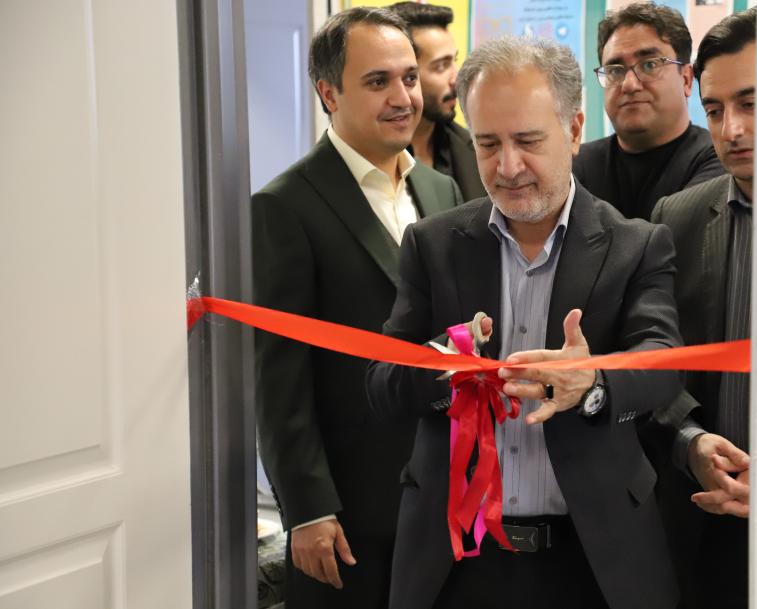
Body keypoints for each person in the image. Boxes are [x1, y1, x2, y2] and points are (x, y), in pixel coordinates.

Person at [366, 36, 690, 609]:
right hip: (454, 561)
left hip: (593, 562)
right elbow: (382, 385)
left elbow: (663, 362)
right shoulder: (433, 245)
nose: (508, 167)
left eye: (528, 141)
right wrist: (443, 368)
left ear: (574, 129)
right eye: (488, 144)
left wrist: (592, 383)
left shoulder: (636, 245)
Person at [252, 8, 462, 608]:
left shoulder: (441, 190)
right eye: (378, 82)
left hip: (445, 496)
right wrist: (308, 508)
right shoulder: (284, 206)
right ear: (329, 93)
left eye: (410, 78)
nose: (403, 98)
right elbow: (279, 377)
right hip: (349, 515)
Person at [648, 8, 757, 609]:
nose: (731, 129)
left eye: (751, 104)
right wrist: (690, 440)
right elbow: (656, 366)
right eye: (714, 110)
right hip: (702, 526)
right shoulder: (678, 217)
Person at [573, 3, 724, 220]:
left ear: (686, 79)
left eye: (649, 65)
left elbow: (676, 237)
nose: (629, 84)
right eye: (615, 71)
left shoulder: (718, 160)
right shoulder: (576, 164)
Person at [389, 1, 487, 202]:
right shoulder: (375, 156)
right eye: (441, 66)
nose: (456, 79)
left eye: (454, 61)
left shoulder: (474, 150)